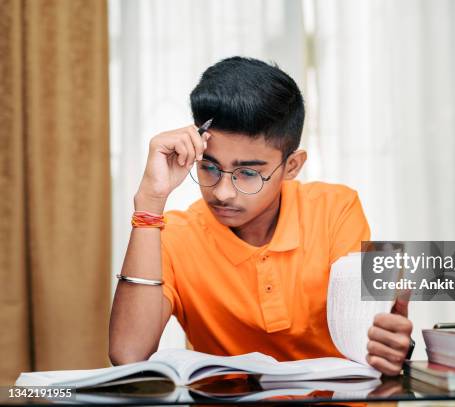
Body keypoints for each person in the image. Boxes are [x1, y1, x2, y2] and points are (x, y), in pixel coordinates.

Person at [109, 56, 413, 376]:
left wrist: (391, 343)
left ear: (292, 166)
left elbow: (371, 336)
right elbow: (128, 355)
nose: (223, 192)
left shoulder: (336, 209)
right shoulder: (174, 234)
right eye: (209, 167)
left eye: (248, 173)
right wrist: (149, 201)